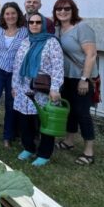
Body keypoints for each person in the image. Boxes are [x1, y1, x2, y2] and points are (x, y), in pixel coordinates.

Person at [12, 13, 64, 167]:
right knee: (25, 120)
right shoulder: (25, 41)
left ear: (44, 25)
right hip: (23, 88)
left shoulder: (51, 43)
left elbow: (58, 67)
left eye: (38, 22)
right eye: (31, 22)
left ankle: (44, 154)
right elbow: (17, 66)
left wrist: (55, 88)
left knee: (45, 121)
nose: (34, 25)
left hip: (43, 89)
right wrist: (14, 86)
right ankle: (28, 147)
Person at [54, 0, 98, 165]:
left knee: (82, 113)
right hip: (65, 77)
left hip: (81, 77)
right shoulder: (58, 29)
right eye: (59, 9)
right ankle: (69, 141)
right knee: (70, 111)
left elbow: (91, 54)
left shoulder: (82, 28)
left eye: (66, 8)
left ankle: (89, 151)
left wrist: (84, 79)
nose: (62, 12)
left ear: (73, 10)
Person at [0, 2, 28, 149]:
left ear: (18, 14)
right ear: (3, 15)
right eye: (7, 13)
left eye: (13, 13)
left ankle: (7, 137)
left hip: (14, 74)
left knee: (11, 106)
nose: (10, 16)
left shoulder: (24, 32)